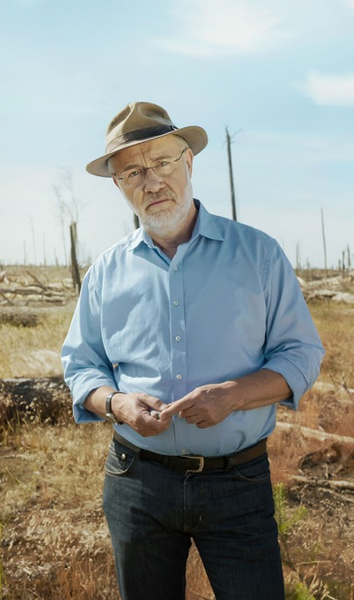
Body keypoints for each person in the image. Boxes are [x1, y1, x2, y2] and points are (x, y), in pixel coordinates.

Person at [61, 101, 325, 600]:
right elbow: (81, 365)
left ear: (188, 162)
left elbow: (301, 353)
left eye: (162, 162)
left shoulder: (258, 255)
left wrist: (234, 395)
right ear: (118, 185)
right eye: (133, 172)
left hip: (238, 482)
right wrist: (116, 403)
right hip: (137, 481)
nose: (152, 182)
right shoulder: (105, 273)